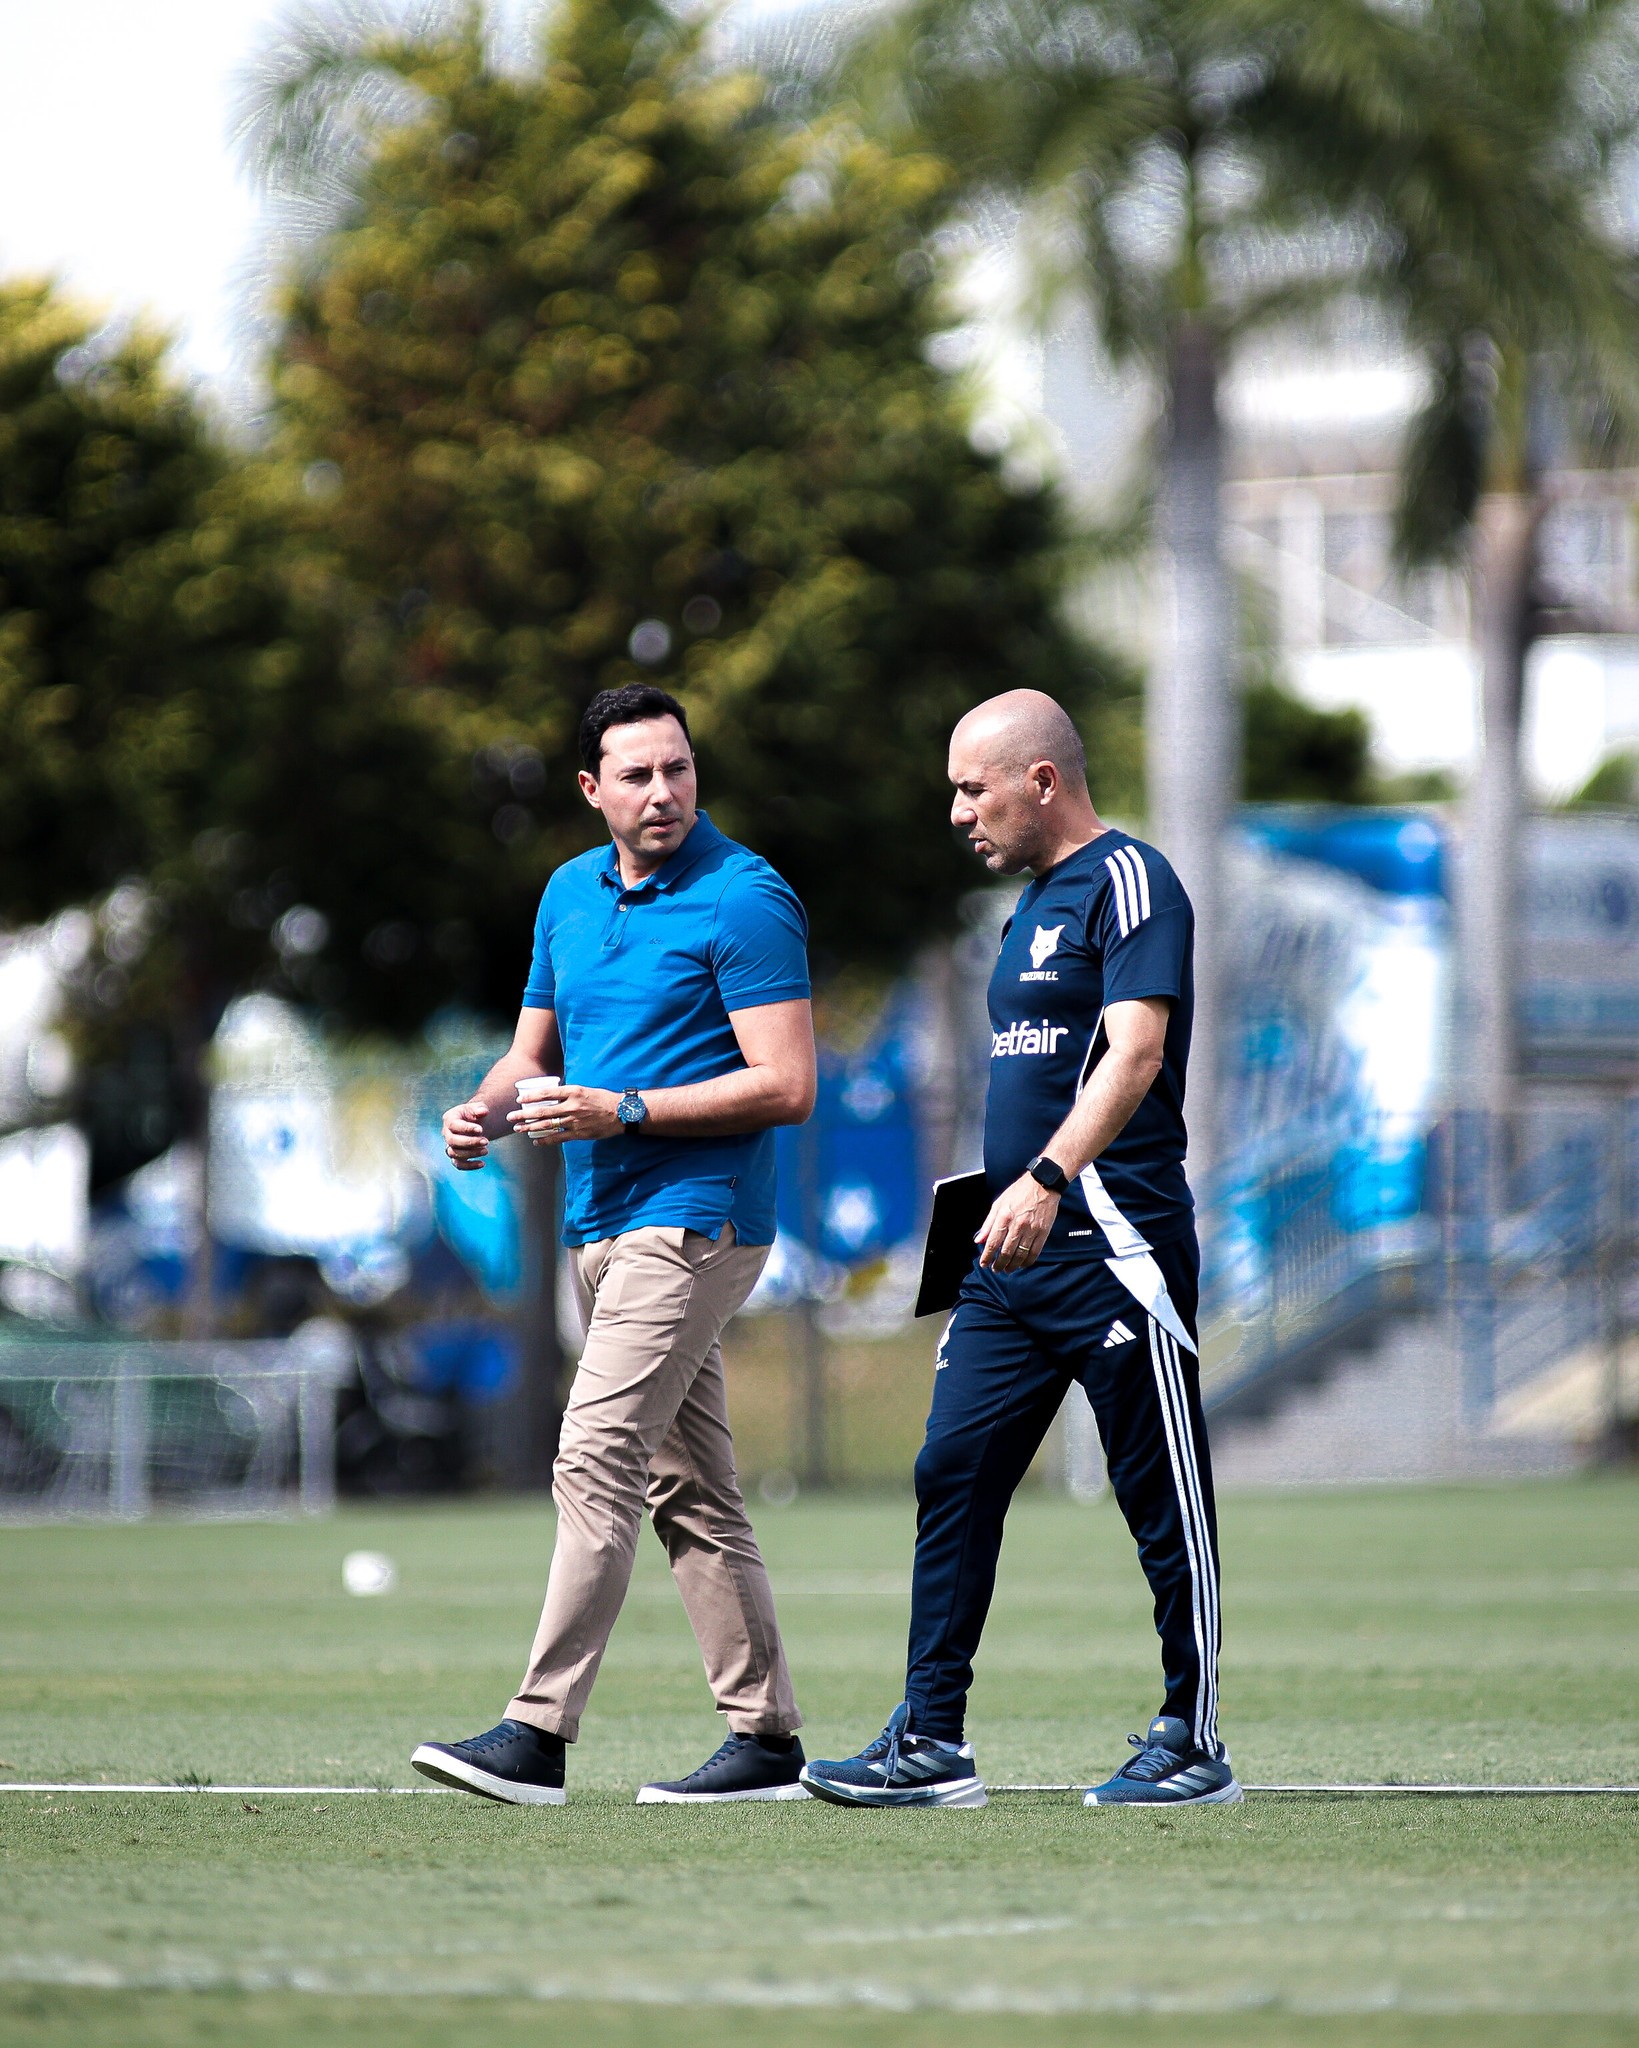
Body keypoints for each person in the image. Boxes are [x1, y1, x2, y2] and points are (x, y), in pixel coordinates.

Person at [801, 689, 1239, 1810]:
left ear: (1041, 779)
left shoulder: (1131, 880)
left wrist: (1047, 1178)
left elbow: (1134, 1054)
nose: (956, 811)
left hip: (1112, 1242)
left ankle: (1191, 1737)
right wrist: (1000, 1196)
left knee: (1158, 1497)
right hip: (1008, 1258)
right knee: (950, 1470)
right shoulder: (1026, 907)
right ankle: (931, 1740)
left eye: (970, 786)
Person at [412, 684, 816, 1806]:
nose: (663, 792)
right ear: (591, 789)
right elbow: (529, 1053)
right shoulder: (565, 894)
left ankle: (536, 1732)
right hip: (601, 1223)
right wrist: (483, 1111)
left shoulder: (746, 897)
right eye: (636, 774)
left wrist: (623, 1109)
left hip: (695, 1217)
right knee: (693, 1486)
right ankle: (766, 1741)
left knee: (594, 1450)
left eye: (678, 768)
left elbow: (787, 1083)